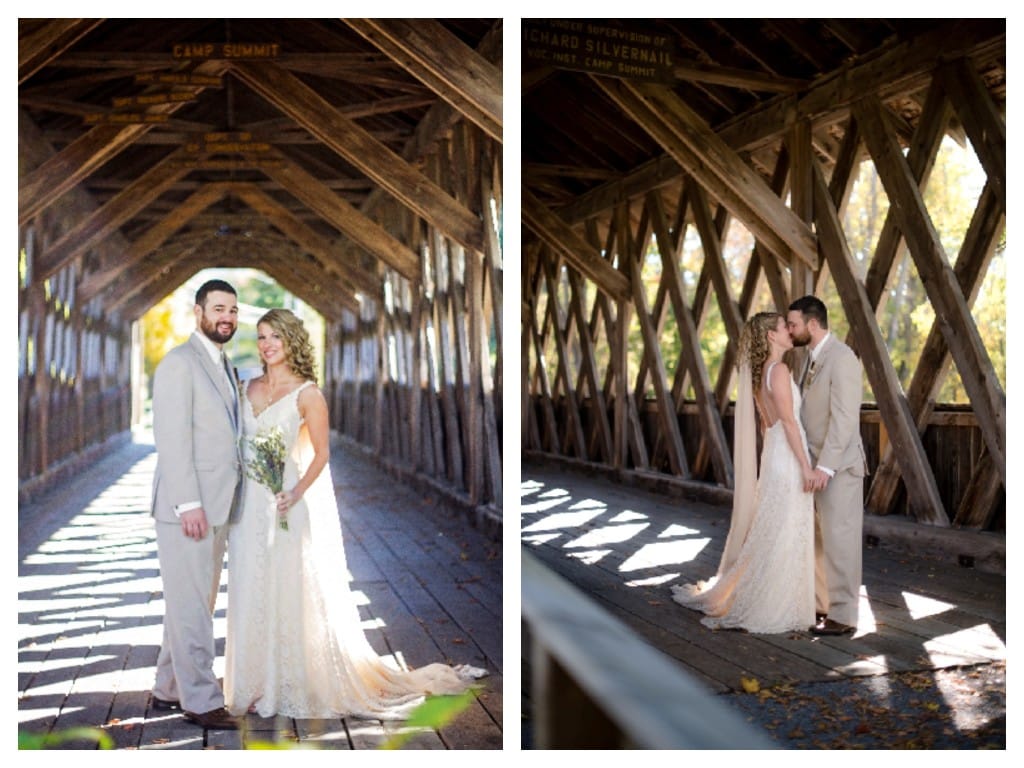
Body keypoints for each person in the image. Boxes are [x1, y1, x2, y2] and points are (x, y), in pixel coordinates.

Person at [224, 309, 487, 719]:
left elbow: (322, 454)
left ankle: (292, 680)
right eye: (261, 337)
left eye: (275, 336)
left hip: (286, 503)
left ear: (293, 340)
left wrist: (293, 491)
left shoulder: (308, 394)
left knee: (288, 588)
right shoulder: (247, 387)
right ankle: (255, 683)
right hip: (249, 509)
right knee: (251, 588)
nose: (267, 344)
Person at [671, 312, 816, 633]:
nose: (790, 331)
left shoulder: (760, 374)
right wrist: (806, 466)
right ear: (770, 337)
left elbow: (769, 427)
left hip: (776, 454)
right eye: (783, 327)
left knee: (778, 528)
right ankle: (774, 606)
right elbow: (789, 423)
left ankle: (772, 597)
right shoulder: (778, 371)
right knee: (786, 528)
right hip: (789, 457)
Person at [150, 279, 243, 730]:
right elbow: (171, 440)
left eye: (233, 309)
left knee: (191, 603)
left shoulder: (225, 364)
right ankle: (202, 700)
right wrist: (188, 504)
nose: (227, 316)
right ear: (199, 312)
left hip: (219, 505)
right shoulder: (178, 364)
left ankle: (168, 687)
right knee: (192, 606)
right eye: (219, 308)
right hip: (189, 508)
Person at [787, 296, 867, 636]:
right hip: (815, 466)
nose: (790, 330)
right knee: (819, 540)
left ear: (812, 324)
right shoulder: (807, 359)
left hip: (838, 467)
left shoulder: (843, 358)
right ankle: (824, 606)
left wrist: (826, 467)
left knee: (841, 539)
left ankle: (845, 616)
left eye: (793, 324)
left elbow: (845, 418)